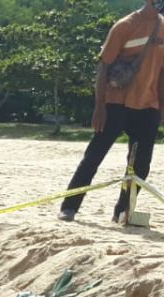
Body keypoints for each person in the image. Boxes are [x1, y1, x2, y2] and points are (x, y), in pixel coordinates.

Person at [60, 0, 164, 223]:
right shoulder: (125, 26)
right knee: (94, 157)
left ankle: (123, 211)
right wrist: (99, 106)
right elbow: (104, 66)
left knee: (141, 166)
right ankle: (69, 207)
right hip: (116, 103)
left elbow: (162, 72)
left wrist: (161, 108)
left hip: (148, 106)